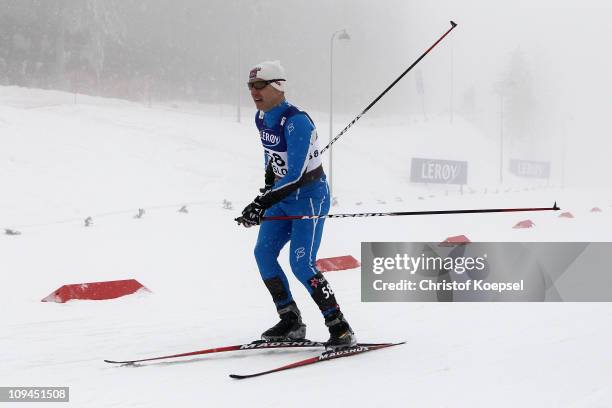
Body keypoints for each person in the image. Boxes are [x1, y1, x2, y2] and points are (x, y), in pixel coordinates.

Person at [235, 60, 356, 349]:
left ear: (278, 86)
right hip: (281, 197)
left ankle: (338, 325)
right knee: (263, 253)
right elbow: (271, 160)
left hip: (309, 198)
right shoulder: (262, 118)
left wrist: (261, 203)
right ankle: (290, 319)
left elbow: (295, 175)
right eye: (251, 86)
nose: (254, 92)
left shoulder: (297, 121)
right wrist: (265, 193)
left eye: (260, 85)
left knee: (301, 263)